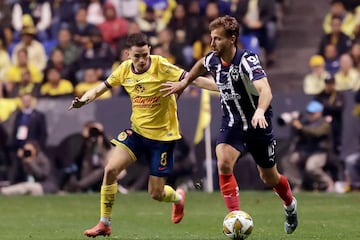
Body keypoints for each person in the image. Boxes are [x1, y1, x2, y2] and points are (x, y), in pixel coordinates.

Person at [161, 15, 298, 234]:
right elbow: (199, 65)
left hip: (257, 125)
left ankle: (290, 206)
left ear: (232, 39)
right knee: (223, 161)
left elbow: (265, 90)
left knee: (269, 177)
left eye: (217, 39)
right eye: (211, 38)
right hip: (233, 124)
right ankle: (234, 216)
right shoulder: (212, 59)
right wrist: (185, 82)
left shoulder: (247, 60)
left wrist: (260, 110)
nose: (212, 43)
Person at [68, 33, 193, 238]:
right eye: (136, 56)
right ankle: (104, 223)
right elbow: (101, 88)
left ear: (150, 51)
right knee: (110, 169)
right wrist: (83, 100)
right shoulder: (124, 69)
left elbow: (191, 79)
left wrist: (221, 89)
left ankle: (178, 197)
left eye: (144, 54)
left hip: (162, 138)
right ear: (128, 54)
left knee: (156, 194)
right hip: (137, 133)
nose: (141, 60)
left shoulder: (161, 65)